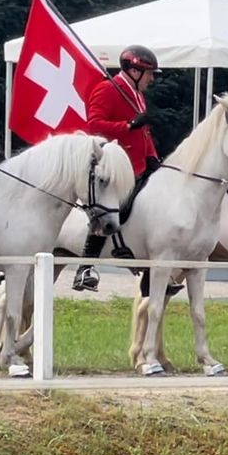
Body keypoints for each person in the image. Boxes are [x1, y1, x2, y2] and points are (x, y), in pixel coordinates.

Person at [71, 45, 162, 292]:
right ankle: (85, 267)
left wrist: (153, 156)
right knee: (112, 207)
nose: (152, 79)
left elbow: (144, 132)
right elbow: (94, 124)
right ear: (134, 70)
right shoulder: (108, 89)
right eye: (149, 73)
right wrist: (128, 125)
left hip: (140, 164)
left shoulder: (138, 94)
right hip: (114, 164)